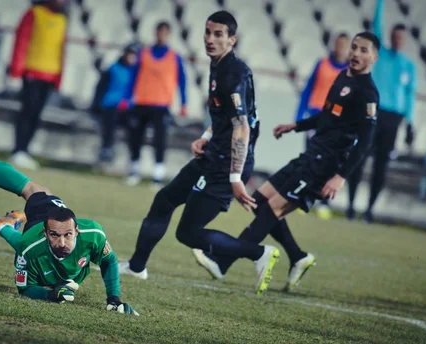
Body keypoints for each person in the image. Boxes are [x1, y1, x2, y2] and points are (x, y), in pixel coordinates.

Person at [195, 32, 381, 291]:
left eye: (363, 50)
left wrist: (340, 176)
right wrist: (296, 126)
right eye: (354, 48)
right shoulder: (342, 77)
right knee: (259, 202)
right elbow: (327, 116)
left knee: (272, 210)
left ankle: (222, 262)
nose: (356, 54)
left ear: (374, 57)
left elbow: (366, 140)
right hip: (311, 154)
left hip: (325, 165)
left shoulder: (368, 93)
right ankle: (298, 257)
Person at [118, 11, 280, 295]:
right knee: (164, 199)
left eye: (218, 34)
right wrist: (205, 136)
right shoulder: (219, 66)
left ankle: (258, 254)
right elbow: (225, 118)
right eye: (208, 32)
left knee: (188, 233)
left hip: (225, 164)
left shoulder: (233, 73)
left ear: (232, 40)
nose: (210, 39)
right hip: (214, 155)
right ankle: (137, 266)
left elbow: (242, 126)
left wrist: (235, 176)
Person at [0, 136, 138, 314]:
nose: (62, 242)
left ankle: (3, 224)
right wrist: (51, 296)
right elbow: (25, 288)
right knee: (34, 192)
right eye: (55, 235)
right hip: (37, 239)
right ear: (45, 233)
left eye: (68, 235)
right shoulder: (29, 245)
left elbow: (108, 261)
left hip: (56, 267)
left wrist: (114, 299)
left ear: (77, 231)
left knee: (33, 195)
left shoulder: (94, 234)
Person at [346, 0, 416, 222]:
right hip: (372, 111)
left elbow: (410, 95)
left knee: (381, 166)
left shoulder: (409, 66)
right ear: (391, 37)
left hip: (393, 119)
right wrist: (380, 3)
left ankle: (369, 209)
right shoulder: (380, 55)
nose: (398, 40)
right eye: (395, 36)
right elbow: (376, 26)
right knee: (358, 158)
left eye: (402, 38)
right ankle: (350, 204)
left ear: (405, 41)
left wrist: (410, 122)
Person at [121, 21, 187, 187]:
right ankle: (134, 170)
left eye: (165, 33)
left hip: (161, 105)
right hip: (142, 102)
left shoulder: (175, 57)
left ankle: (158, 175)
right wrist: (126, 98)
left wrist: (184, 102)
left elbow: (182, 81)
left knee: (159, 141)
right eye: (159, 32)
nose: (161, 36)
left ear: (169, 35)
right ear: (155, 33)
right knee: (136, 138)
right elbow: (133, 76)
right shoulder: (144, 53)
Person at [295, 32, 350, 220]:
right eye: (338, 44)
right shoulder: (322, 64)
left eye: (344, 45)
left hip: (335, 120)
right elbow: (308, 89)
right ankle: (301, 195)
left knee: (330, 161)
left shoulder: (350, 72)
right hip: (315, 115)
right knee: (309, 158)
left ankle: (324, 201)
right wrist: (299, 116)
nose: (340, 48)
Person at [8, 0, 68, 170]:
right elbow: (22, 40)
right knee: (27, 112)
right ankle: (18, 150)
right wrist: (17, 69)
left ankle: (25, 150)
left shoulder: (62, 19)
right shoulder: (34, 13)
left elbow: (61, 50)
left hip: (50, 75)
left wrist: (58, 77)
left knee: (36, 114)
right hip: (32, 72)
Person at [91, 43, 139, 163]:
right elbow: (101, 88)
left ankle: (134, 158)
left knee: (136, 126)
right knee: (110, 121)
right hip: (110, 105)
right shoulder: (114, 69)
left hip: (127, 108)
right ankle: (106, 149)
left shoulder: (136, 73)